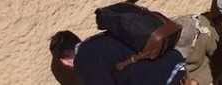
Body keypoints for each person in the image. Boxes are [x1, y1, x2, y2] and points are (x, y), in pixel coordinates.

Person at [50, 30, 187, 85]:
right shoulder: (101, 39)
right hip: (175, 64)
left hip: (162, 80)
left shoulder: (83, 60)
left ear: (64, 62)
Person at [173, 14, 222, 85]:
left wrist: (197, 81)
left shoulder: (206, 33)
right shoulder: (162, 34)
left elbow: (220, 59)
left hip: (198, 73)